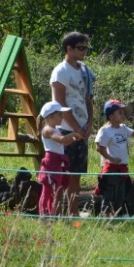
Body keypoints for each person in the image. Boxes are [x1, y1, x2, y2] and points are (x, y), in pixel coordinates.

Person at [50, 31, 96, 216]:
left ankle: (73, 213)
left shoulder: (84, 70)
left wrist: (90, 123)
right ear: (69, 48)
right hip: (65, 130)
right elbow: (59, 103)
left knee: (76, 175)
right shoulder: (60, 71)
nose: (84, 51)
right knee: (62, 176)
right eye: (80, 48)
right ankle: (56, 213)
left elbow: (87, 98)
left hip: (82, 130)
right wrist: (76, 128)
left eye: (86, 47)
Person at [37, 101, 83, 216]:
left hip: (59, 162)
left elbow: (64, 143)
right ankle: (46, 214)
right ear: (51, 116)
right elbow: (62, 139)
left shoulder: (56, 129)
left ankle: (54, 213)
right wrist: (73, 133)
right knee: (49, 190)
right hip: (51, 162)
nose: (62, 117)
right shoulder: (48, 130)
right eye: (60, 115)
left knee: (57, 189)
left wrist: (73, 139)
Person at [95, 99, 134, 215]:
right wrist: (110, 158)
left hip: (123, 167)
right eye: (119, 113)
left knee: (121, 193)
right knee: (109, 193)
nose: (123, 115)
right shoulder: (106, 131)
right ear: (110, 116)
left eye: (123, 113)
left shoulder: (124, 128)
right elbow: (100, 147)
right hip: (112, 167)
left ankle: (117, 214)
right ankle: (105, 214)